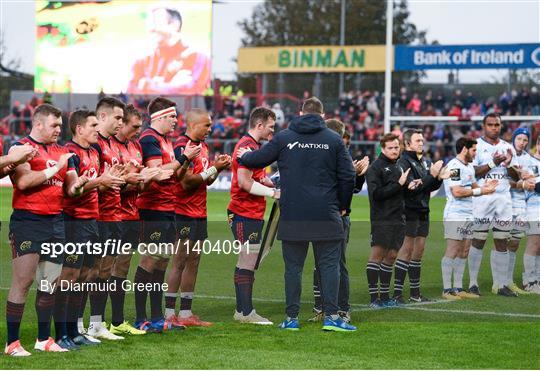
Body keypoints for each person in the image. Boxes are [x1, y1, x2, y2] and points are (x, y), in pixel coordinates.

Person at [238, 97, 357, 332]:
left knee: (293, 269)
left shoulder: (284, 137)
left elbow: (258, 159)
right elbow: (348, 176)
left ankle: (291, 318)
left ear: (300, 113)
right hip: (326, 213)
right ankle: (332, 317)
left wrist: (244, 155)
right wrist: (343, 206)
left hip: (293, 213)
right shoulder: (333, 140)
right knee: (329, 266)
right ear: (323, 116)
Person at [5, 104, 89, 356]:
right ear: (38, 124)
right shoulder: (20, 148)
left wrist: (81, 185)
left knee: (49, 283)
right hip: (28, 222)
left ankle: (43, 339)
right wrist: (56, 167)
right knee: (23, 281)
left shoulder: (62, 152)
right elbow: (23, 181)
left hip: (56, 222)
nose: (58, 130)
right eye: (54, 125)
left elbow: (71, 189)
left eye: (60, 126)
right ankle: (12, 343)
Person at [133, 97, 200, 332]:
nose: (175, 120)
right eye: (172, 116)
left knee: (161, 264)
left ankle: (157, 317)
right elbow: (156, 171)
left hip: (167, 207)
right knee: (149, 261)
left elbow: (172, 173)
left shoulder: (165, 140)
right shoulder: (150, 138)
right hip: (153, 209)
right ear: (160, 117)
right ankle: (141, 318)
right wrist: (184, 159)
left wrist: (187, 160)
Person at [58, 110, 123, 349]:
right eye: (93, 125)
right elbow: (72, 189)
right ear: (79, 129)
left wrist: (114, 179)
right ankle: (61, 332)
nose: (97, 129)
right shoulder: (70, 152)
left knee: (86, 277)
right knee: (69, 278)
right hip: (74, 223)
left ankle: (75, 331)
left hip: (92, 222)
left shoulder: (94, 152)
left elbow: (97, 185)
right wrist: (99, 182)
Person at [164, 108, 231, 327]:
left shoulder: (204, 147)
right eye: (207, 125)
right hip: (182, 212)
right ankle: (168, 314)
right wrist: (214, 167)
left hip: (200, 212)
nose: (210, 129)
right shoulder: (182, 147)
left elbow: (207, 181)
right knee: (179, 261)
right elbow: (185, 182)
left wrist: (217, 170)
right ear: (193, 125)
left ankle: (185, 314)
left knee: (194, 261)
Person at [108, 104, 163, 336]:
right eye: (134, 126)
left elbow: (139, 186)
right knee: (101, 270)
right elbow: (110, 184)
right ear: (121, 123)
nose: (138, 131)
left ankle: (118, 321)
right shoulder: (111, 148)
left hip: (132, 213)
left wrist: (146, 178)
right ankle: (100, 321)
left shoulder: (135, 147)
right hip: (112, 213)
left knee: (122, 266)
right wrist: (134, 178)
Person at [309, 118, 369, 323]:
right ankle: (323, 308)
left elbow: (351, 189)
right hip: (322, 215)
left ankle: (342, 309)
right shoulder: (322, 155)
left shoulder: (337, 155)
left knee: (336, 264)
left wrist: (357, 175)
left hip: (338, 216)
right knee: (321, 264)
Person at [227, 107, 277, 325]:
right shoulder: (246, 146)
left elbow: (256, 178)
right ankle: (246, 312)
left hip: (251, 213)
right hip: (243, 213)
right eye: (271, 127)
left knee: (249, 259)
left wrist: (269, 182)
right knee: (247, 260)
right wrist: (273, 192)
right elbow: (245, 183)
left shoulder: (253, 147)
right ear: (259, 125)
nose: (272, 131)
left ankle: (242, 310)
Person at [469, 113, 521, 297]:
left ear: (501, 126)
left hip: (503, 200)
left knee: (501, 241)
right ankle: (473, 283)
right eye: (490, 125)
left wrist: (507, 164)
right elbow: (473, 173)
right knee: (478, 240)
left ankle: (499, 285)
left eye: (497, 124)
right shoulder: (475, 146)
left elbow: (516, 176)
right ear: (484, 126)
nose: (494, 128)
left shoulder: (508, 147)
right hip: (483, 198)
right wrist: (493, 162)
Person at [393, 129, 447, 304]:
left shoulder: (423, 162)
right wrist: (431, 176)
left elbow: (427, 187)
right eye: (417, 141)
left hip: (423, 209)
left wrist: (438, 178)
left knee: (419, 251)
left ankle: (415, 293)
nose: (421, 143)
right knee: (406, 250)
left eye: (422, 141)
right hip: (409, 210)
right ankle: (397, 294)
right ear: (407, 143)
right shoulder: (403, 162)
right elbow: (413, 188)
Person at [441, 137, 497, 300]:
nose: (475, 153)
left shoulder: (469, 167)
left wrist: (487, 188)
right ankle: (446, 290)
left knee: (464, 251)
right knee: (452, 250)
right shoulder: (454, 167)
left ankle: (458, 288)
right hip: (455, 214)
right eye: (473, 150)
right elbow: (457, 192)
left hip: (468, 213)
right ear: (464, 149)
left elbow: (475, 188)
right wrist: (481, 192)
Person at [365, 134, 414, 309]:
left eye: (396, 147)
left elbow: (398, 192)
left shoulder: (398, 166)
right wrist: (399, 185)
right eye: (391, 148)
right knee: (377, 256)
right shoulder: (375, 168)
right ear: (383, 149)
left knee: (392, 256)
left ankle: (385, 297)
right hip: (382, 219)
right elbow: (376, 195)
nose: (395, 150)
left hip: (398, 218)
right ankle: (374, 298)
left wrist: (408, 187)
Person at [126, 5, 210, 95]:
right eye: (149, 23)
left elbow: (191, 91)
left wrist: (145, 85)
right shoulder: (142, 60)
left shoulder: (197, 58)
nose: (151, 29)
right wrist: (169, 86)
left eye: (156, 22)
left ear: (175, 25)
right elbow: (129, 93)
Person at [508, 128, 535, 294]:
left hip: (521, 205)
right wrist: (520, 177)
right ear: (513, 139)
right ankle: (501, 281)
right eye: (519, 138)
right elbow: (504, 179)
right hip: (505, 204)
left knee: (515, 243)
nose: (522, 142)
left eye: (525, 140)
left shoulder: (527, 158)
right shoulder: (506, 152)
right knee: (502, 242)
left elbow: (531, 179)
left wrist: (526, 178)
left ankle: (508, 280)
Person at [521, 135, 540, 293]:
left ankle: (537, 279)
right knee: (534, 244)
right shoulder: (529, 162)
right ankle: (529, 280)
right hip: (534, 209)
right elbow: (531, 186)